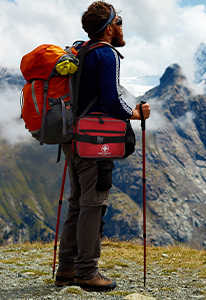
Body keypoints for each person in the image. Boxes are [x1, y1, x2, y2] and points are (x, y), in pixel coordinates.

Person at [55, 0, 150, 291]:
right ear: (109, 28)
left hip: (73, 137)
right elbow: (111, 100)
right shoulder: (107, 54)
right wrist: (136, 113)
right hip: (96, 141)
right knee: (94, 205)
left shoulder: (81, 51)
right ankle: (87, 272)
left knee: (77, 204)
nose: (121, 27)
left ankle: (67, 270)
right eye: (118, 22)